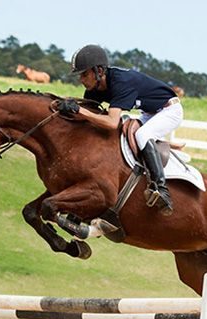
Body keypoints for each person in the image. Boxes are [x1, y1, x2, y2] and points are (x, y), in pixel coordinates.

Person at [59, 44, 183, 216]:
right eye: (80, 75)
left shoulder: (121, 82)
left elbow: (110, 122)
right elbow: (89, 112)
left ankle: (161, 189)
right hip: (149, 113)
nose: (81, 79)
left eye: (84, 74)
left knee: (142, 134)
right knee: (125, 130)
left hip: (170, 110)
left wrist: (80, 111)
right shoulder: (95, 88)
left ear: (99, 71)